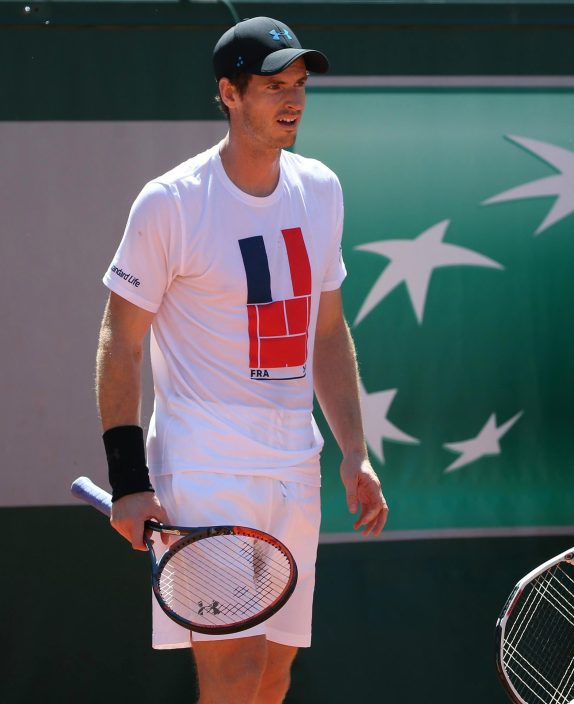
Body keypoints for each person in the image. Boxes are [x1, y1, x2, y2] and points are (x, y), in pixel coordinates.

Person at [95, 16, 388, 703]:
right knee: (231, 675)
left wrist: (354, 451)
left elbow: (326, 334)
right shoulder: (171, 202)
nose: (292, 100)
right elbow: (120, 342)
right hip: (203, 465)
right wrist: (126, 476)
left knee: (274, 675)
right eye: (271, 86)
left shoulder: (321, 189)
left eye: (299, 85)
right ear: (228, 94)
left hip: (294, 465)